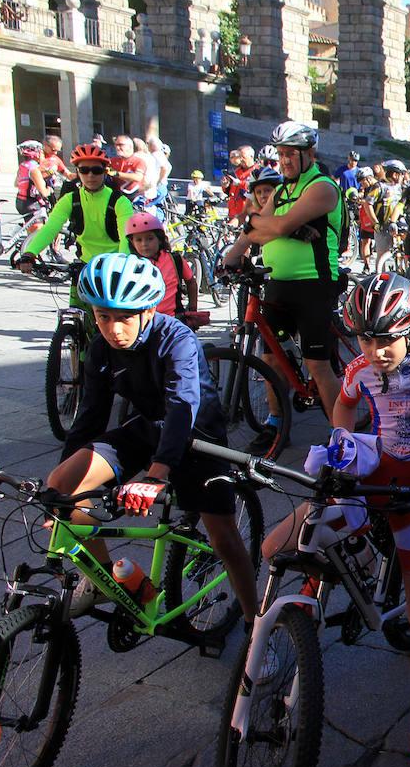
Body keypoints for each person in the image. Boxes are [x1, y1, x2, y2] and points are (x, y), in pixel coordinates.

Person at [263, 271, 410, 767]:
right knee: (276, 546)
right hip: (376, 469)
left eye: (387, 338)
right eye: (366, 337)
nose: (376, 348)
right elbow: (342, 406)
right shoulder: (360, 367)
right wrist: (344, 444)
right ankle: (363, 555)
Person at [48, 253, 258, 627]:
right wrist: (61, 487)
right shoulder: (100, 348)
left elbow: (182, 406)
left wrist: (156, 473)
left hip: (197, 436)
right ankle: (103, 578)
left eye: (125, 317)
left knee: (223, 537)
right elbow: (89, 418)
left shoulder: (177, 340)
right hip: (148, 428)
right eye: (103, 316)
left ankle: (255, 624)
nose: (114, 329)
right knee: (61, 487)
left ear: (147, 310)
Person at [222, 121, 347, 446]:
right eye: (281, 154)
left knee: (317, 364)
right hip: (277, 281)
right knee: (271, 358)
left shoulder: (320, 187)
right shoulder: (281, 190)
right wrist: (232, 257)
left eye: (291, 154)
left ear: (309, 153)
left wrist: (264, 223)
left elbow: (276, 227)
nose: (285, 161)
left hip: (314, 284)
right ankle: (276, 424)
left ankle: (343, 439)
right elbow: (253, 231)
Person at [19, 144, 132, 292]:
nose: (90, 175)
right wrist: (30, 253)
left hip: (114, 266)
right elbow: (51, 228)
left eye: (96, 170)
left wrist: (121, 264)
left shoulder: (119, 201)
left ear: (105, 172)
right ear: (78, 172)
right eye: (84, 170)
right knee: (75, 312)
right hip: (85, 266)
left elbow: (126, 236)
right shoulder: (70, 199)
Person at [123, 211, 200, 325]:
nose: (144, 244)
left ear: (159, 239)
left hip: (173, 320)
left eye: (150, 238)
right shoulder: (131, 265)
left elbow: (191, 282)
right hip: (143, 322)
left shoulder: (175, 259)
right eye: (139, 240)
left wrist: (193, 309)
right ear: (132, 242)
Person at [14, 140, 51, 220]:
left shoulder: (23, 165)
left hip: (20, 201)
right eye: (41, 152)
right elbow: (44, 193)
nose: (42, 155)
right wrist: (49, 189)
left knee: (31, 228)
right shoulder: (34, 169)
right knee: (38, 231)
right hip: (31, 203)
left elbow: (16, 184)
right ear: (36, 154)